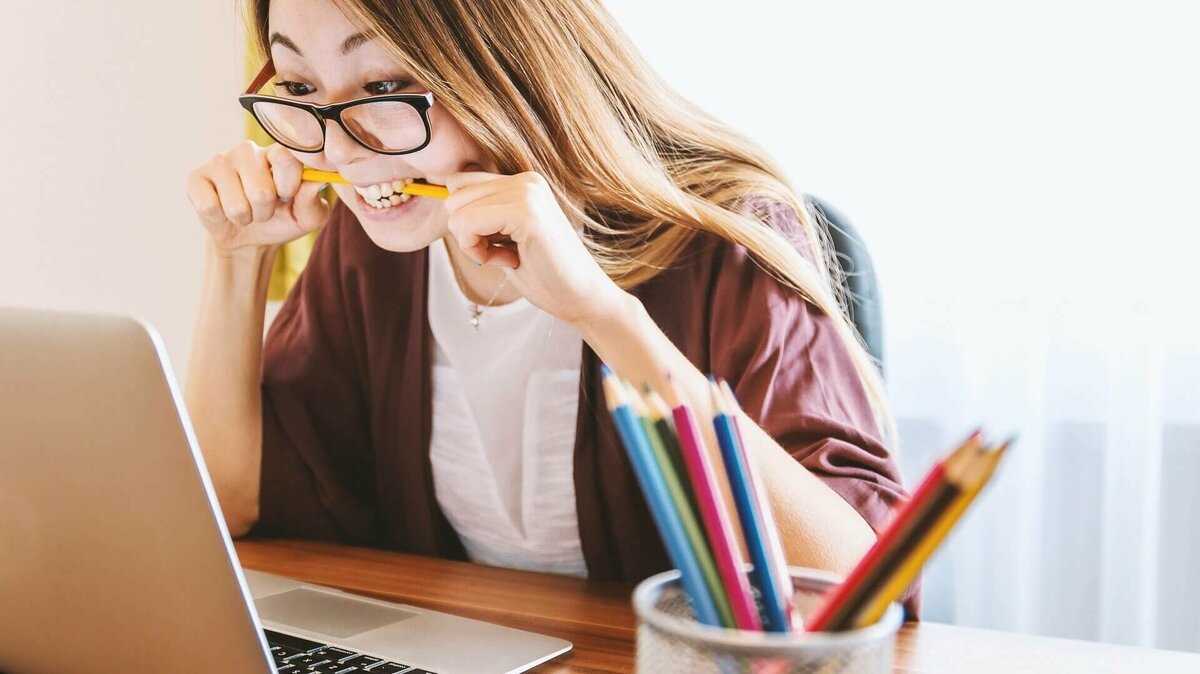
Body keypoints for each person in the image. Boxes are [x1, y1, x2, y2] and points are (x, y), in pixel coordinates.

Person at [184, 0, 910, 598]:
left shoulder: (724, 237)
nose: (339, 152)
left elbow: (856, 586)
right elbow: (232, 501)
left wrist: (602, 313)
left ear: (507, 67)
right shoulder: (376, 246)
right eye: (302, 89)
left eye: (383, 87)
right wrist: (236, 259)